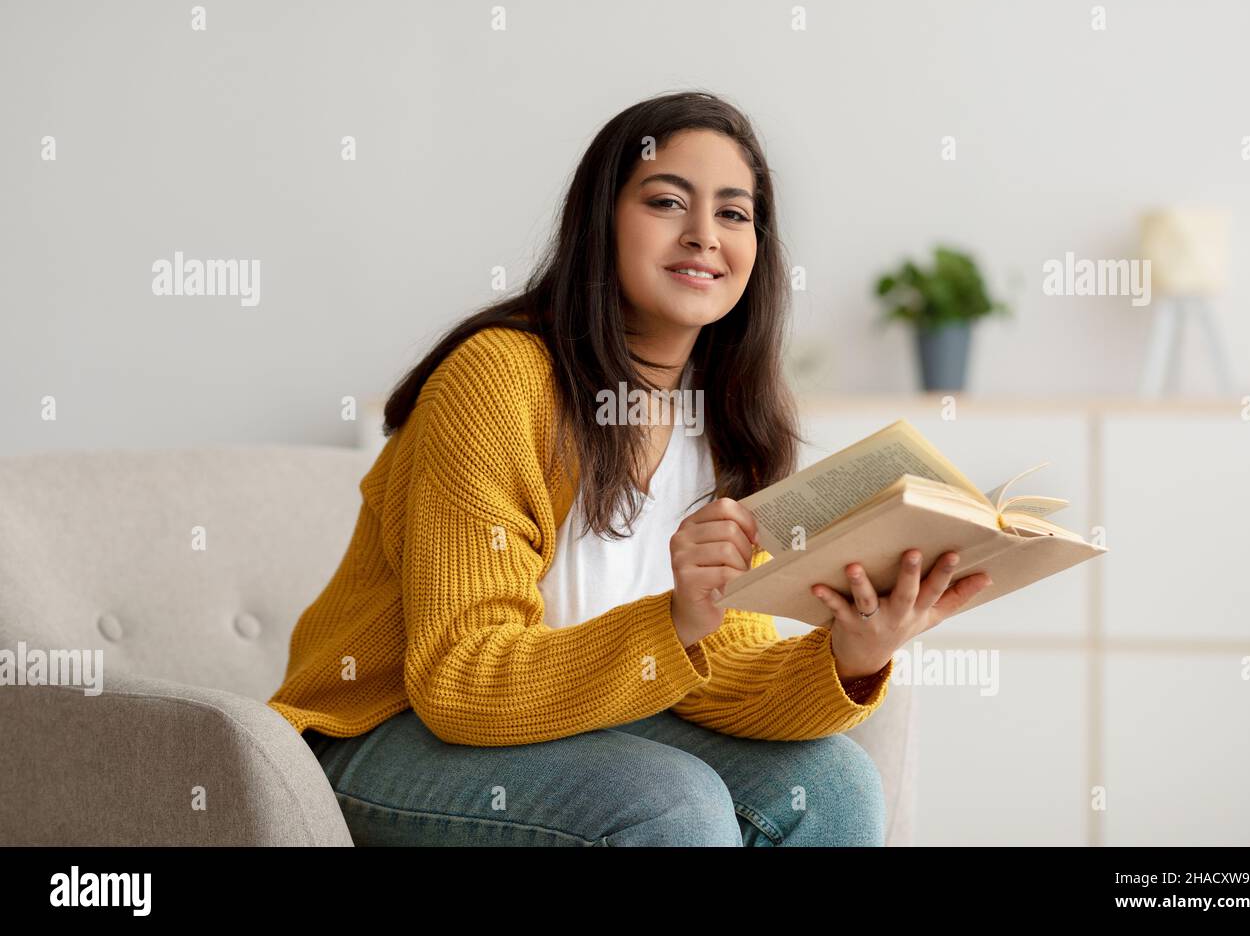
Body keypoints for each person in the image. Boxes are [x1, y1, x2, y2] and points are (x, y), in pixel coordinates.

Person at [270, 90, 992, 846]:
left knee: (833, 785)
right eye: (667, 201)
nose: (704, 236)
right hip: (383, 733)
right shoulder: (496, 382)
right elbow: (459, 682)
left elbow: (721, 669)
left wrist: (853, 654)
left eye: (734, 214)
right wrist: (675, 620)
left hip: (582, 730)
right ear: (601, 220)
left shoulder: (726, 413)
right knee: (667, 803)